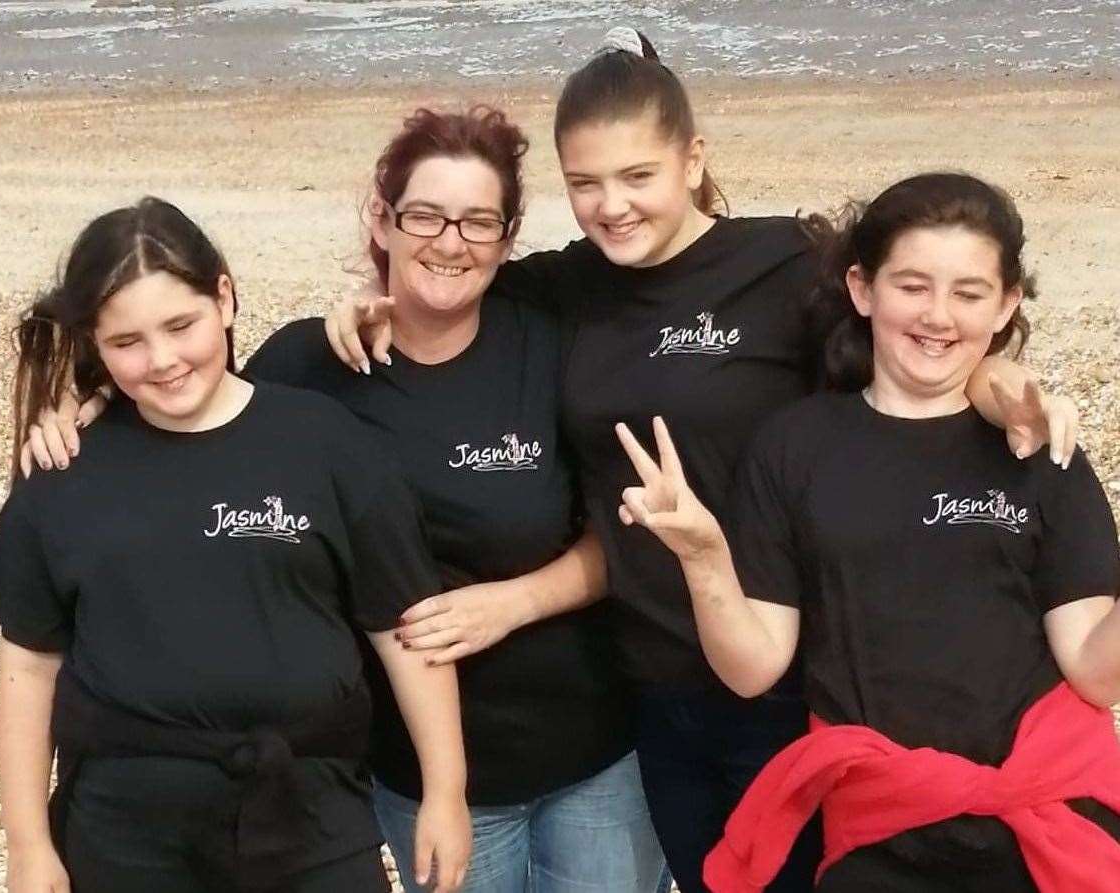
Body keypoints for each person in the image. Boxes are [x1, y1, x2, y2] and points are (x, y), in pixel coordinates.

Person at [319, 28, 1081, 893]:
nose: (612, 206)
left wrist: (996, 375)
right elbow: (446, 278)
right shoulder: (566, 285)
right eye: (584, 184)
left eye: (637, 176)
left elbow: (914, 339)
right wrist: (368, 304)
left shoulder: (786, 265)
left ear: (692, 160)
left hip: (800, 678)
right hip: (651, 688)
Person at [15, 112, 669, 893]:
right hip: (376, 764)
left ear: (508, 234)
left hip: (584, 739)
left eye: (477, 221)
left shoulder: (548, 333)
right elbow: (190, 410)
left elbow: (625, 521)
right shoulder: (308, 366)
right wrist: (89, 409)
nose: (450, 240)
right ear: (381, 219)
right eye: (424, 214)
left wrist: (512, 604)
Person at [614, 172, 1120, 892]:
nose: (937, 316)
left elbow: (1096, 669)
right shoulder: (795, 445)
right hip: (878, 830)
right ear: (862, 288)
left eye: (968, 293)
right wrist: (704, 557)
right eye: (911, 285)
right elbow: (753, 665)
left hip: (1045, 824)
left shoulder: (1037, 447)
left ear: (1006, 303)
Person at [0, 198, 471, 893]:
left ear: (226, 298)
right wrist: (28, 845)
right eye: (127, 342)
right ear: (94, 341)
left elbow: (403, 630)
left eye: (182, 325)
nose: (163, 360)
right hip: (124, 830)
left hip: (310, 816)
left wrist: (444, 791)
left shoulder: (327, 442)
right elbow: (29, 667)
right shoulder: (64, 474)